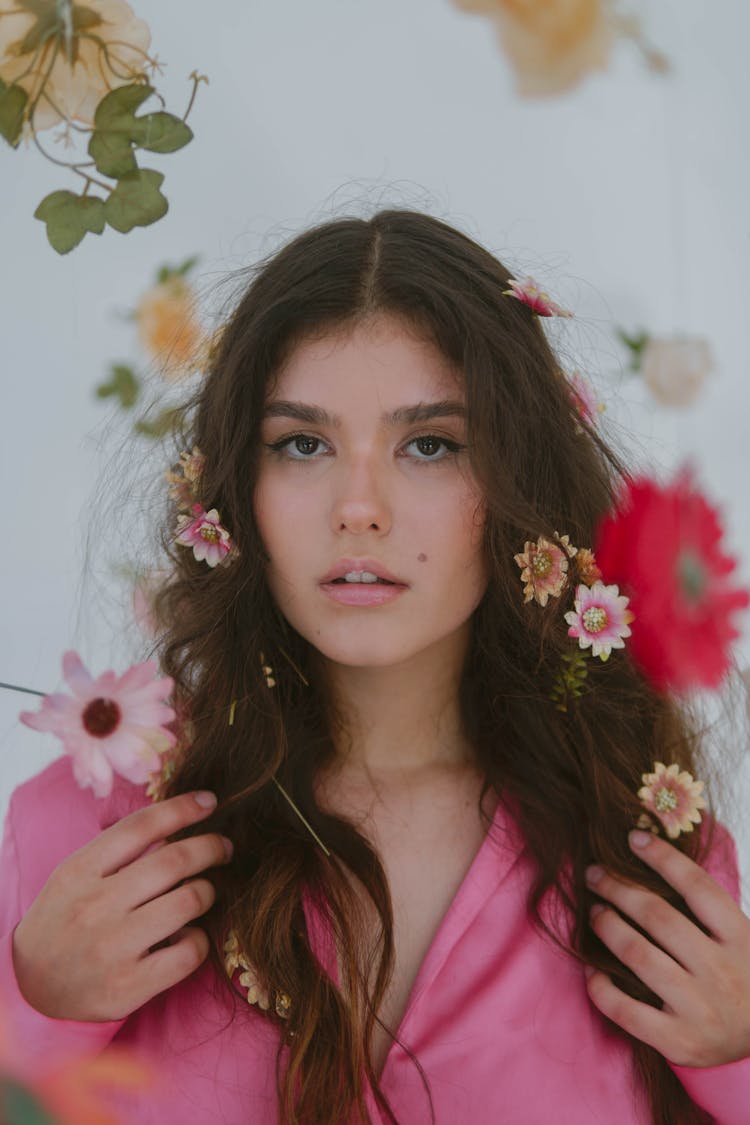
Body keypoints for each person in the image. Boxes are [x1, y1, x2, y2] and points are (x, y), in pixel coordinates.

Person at [2, 209, 750, 1125]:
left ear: (518, 481)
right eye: (302, 444)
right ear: (239, 490)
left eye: (429, 443)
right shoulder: (86, 833)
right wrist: (37, 1013)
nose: (359, 507)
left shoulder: (641, 848)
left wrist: (740, 1060)